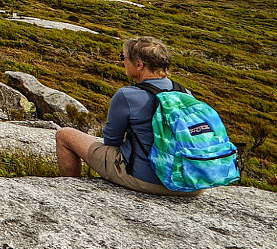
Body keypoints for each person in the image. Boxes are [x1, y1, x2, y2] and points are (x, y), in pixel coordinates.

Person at [54, 37, 204, 197]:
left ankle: (70, 194)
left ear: (139, 65)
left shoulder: (127, 95)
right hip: (192, 185)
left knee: (65, 135)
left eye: (123, 57)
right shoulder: (186, 93)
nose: (122, 62)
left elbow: (112, 142)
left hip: (148, 181)